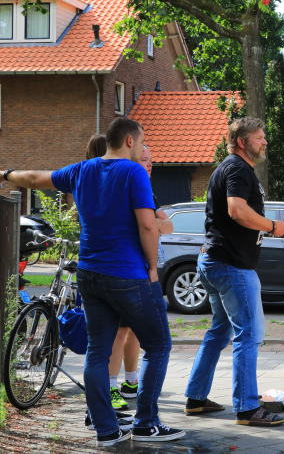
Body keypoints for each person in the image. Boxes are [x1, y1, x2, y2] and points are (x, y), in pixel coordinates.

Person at [2, 118, 184, 446]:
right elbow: (147, 226)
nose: (143, 149)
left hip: (89, 273)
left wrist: (4, 174)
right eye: (142, 143)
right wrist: (154, 270)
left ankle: (106, 430)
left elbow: (33, 178)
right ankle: (146, 423)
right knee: (158, 346)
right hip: (128, 275)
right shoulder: (134, 173)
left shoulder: (81, 170)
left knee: (97, 351)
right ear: (129, 141)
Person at [183, 117, 284, 427]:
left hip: (213, 261)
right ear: (242, 142)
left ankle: (196, 399)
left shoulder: (228, 168)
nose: (264, 142)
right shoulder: (238, 169)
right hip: (231, 266)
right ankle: (247, 409)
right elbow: (236, 209)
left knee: (219, 331)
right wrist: (272, 226)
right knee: (249, 334)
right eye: (259, 137)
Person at [108, 144, 174, 407]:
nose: (149, 164)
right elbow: (147, 225)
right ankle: (111, 388)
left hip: (145, 271)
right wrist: (148, 223)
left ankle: (131, 382)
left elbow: (167, 225)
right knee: (120, 331)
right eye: (144, 159)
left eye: (151, 160)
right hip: (127, 270)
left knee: (135, 330)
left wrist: (149, 223)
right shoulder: (124, 186)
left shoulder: (148, 191)